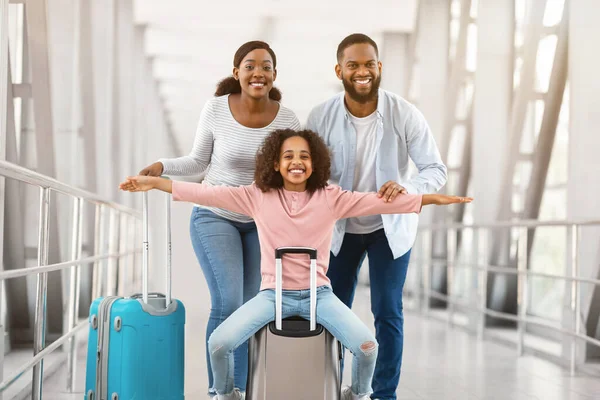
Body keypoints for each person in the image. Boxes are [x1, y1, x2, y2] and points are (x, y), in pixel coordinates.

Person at [120, 129, 470, 400]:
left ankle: (355, 395)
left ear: (314, 163)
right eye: (288, 156)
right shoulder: (256, 196)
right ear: (276, 162)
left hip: (319, 295)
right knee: (218, 343)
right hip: (272, 296)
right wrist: (154, 183)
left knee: (367, 347)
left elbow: (378, 202)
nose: (296, 161)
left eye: (304, 155)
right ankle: (227, 393)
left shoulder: (331, 198)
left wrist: (431, 198)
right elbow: (204, 193)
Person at [137, 41, 301, 397]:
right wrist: (163, 167)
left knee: (250, 310)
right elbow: (198, 163)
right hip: (215, 217)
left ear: (274, 75)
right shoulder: (215, 109)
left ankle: (237, 389)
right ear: (237, 71)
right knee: (228, 302)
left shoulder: (287, 119)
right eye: (250, 65)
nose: (258, 72)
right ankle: (219, 390)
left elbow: (292, 170)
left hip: (260, 222)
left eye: (266, 66)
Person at [305, 33, 448, 400]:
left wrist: (409, 188)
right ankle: (329, 388)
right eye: (353, 65)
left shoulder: (405, 113)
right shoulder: (321, 116)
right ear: (340, 70)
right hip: (338, 230)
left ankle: (383, 394)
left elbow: (434, 168)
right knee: (331, 311)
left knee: (387, 311)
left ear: (379, 67)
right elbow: (307, 174)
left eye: (369, 63)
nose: (362, 71)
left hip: (390, 228)